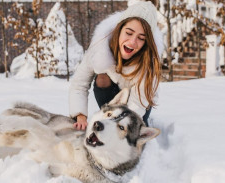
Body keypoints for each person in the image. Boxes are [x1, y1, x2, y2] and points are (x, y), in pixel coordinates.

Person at [69, 0, 164, 130]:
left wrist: (123, 125)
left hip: (139, 104)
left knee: (132, 129)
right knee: (102, 78)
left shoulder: (149, 62)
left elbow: (138, 103)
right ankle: (107, 117)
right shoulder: (99, 48)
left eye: (141, 38)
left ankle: (137, 124)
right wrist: (80, 115)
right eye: (129, 33)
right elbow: (79, 84)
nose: (132, 42)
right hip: (112, 99)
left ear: (146, 43)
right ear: (119, 29)